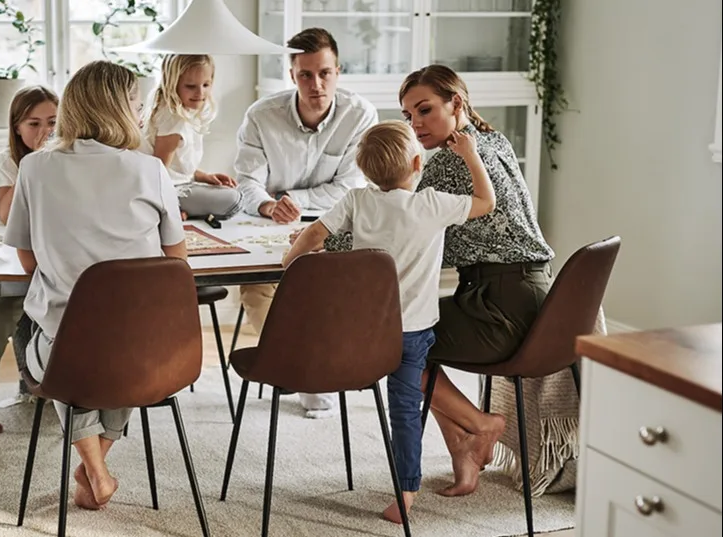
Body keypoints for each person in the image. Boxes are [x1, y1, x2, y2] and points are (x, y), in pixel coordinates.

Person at [283, 120, 496, 522]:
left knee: (393, 390)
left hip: (366, 335)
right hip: (413, 332)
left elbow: (313, 235)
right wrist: (470, 155)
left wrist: (288, 261)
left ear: (365, 171)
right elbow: (487, 201)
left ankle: (472, 428)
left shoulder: (357, 200)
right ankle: (405, 491)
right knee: (403, 408)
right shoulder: (431, 203)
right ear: (418, 162)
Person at [3, 60, 186, 510]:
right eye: (138, 106)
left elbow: (27, 258)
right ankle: (95, 470)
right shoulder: (150, 170)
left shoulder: (35, 168)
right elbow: (175, 262)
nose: (142, 116)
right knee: (123, 362)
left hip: (64, 350)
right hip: (145, 354)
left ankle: (94, 473)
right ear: (118, 110)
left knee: (67, 355)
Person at [399, 64, 556, 497]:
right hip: (538, 301)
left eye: (425, 110)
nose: (415, 124)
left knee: (391, 342)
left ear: (457, 103)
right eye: (408, 115)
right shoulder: (494, 141)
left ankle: (481, 424)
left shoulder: (450, 162)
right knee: (411, 340)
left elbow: (401, 231)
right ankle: (465, 449)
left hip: (499, 308)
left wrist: (323, 237)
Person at [234, 27, 377, 418]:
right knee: (257, 286)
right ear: (292, 74)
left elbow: (352, 185)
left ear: (338, 71)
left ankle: (315, 370)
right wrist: (266, 206)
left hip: (334, 225)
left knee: (326, 287)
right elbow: (247, 181)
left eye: (325, 73)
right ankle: (297, 367)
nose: (316, 84)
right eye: (305, 75)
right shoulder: (261, 116)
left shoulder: (360, 114)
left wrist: (297, 200)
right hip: (270, 227)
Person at [0, 85, 58, 434]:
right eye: (34, 123)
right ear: (16, 127)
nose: (45, 132)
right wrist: (32, 164)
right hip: (12, 256)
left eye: (53, 122)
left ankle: (51, 388)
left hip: (51, 255)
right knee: (3, 315)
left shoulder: (65, 157)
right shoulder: (9, 162)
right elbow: (7, 215)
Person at [142, 54, 242, 219]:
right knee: (234, 200)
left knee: (232, 193)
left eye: (206, 84)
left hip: (178, 183)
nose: (200, 92)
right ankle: (171, 207)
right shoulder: (174, 120)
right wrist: (164, 208)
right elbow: (158, 171)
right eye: (190, 86)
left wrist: (204, 177)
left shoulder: (184, 112)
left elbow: (177, 167)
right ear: (172, 85)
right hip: (166, 189)